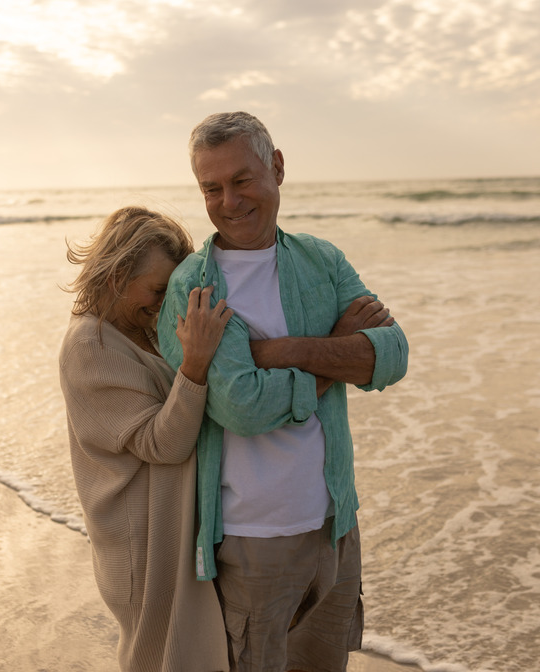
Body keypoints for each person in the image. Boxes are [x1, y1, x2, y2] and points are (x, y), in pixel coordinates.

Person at [156, 112, 409, 672]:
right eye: (211, 188)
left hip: (335, 525)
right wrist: (336, 351)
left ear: (276, 167)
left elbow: (392, 356)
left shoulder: (323, 260)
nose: (229, 201)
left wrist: (279, 350)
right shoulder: (194, 286)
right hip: (252, 540)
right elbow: (243, 407)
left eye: (242, 180)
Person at [59, 206, 233, 672]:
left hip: (164, 527)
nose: (163, 303)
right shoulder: (90, 346)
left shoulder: (136, 327)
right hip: (140, 542)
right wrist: (195, 362)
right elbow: (163, 444)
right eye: (157, 290)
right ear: (117, 275)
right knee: (158, 658)